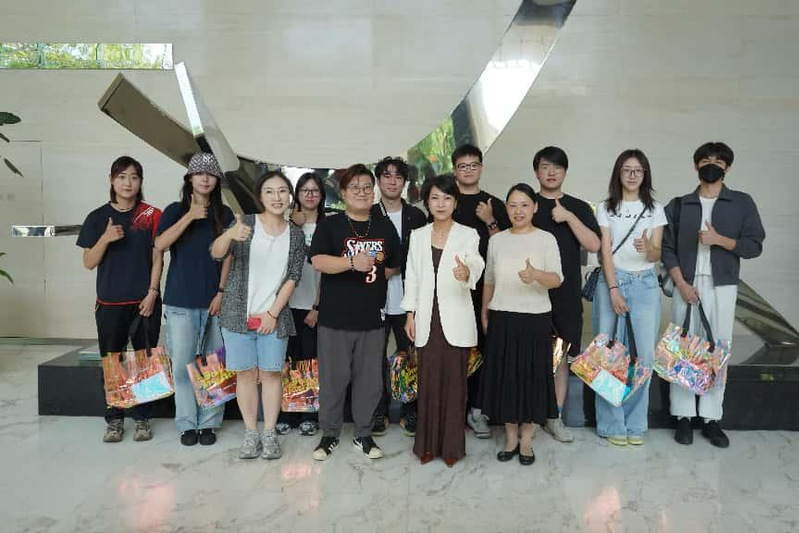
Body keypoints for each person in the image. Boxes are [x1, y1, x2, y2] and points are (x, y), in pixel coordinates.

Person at [662, 142, 765, 448]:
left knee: (718, 347)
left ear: (727, 168)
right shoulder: (680, 204)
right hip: (685, 284)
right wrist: (681, 283)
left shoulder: (741, 202)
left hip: (723, 284)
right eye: (706, 160)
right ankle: (682, 415)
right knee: (682, 347)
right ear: (696, 166)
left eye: (719, 162)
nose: (712, 165)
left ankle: (711, 417)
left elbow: (754, 245)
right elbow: (666, 248)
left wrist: (720, 240)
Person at [210, 171, 306, 460]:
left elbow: (293, 277)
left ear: (289, 196)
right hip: (238, 316)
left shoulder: (296, 234)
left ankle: (269, 433)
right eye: (269, 191)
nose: (277, 197)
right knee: (246, 375)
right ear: (260, 197)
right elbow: (216, 254)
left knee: (271, 374)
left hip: (273, 318)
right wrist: (229, 234)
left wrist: (272, 314)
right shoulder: (246, 224)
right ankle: (251, 432)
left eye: (282, 191)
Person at [309, 164, 401, 461]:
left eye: (366, 187)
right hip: (334, 319)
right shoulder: (330, 225)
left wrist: (374, 278)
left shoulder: (384, 226)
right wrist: (351, 263)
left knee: (369, 382)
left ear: (373, 192)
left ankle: (363, 434)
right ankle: (329, 434)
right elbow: (318, 261)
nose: (361, 192)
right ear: (343, 192)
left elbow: (393, 264)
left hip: (372, 318)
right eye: (354, 188)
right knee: (333, 381)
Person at [77, 156, 163, 443]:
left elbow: (158, 257)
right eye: (122, 176)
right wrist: (105, 238)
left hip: (144, 302)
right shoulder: (97, 217)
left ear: (141, 182)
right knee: (112, 363)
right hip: (110, 303)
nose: (128, 182)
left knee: (145, 362)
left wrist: (152, 292)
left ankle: (143, 418)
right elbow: (89, 262)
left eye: (134, 177)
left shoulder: (151, 214)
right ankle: (114, 419)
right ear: (112, 180)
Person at [403, 174, 484, 467]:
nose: (441, 203)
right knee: (428, 382)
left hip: (456, 318)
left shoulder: (468, 234)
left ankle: (451, 447)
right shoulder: (418, 235)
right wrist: (410, 314)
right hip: (426, 318)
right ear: (427, 201)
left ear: (455, 202)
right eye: (435, 198)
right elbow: (412, 276)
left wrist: (467, 273)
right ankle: (426, 445)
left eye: (447, 198)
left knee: (454, 386)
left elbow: (476, 263)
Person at [154, 152, 233, 446]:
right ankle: (187, 423)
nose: (205, 179)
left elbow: (229, 257)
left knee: (214, 364)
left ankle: (209, 422)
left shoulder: (224, 215)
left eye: (211, 174)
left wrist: (221, 292)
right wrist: (189, 216)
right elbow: (160, 245)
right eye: (199, 173)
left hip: (213, 300)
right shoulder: (175, 210)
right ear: (189, 178)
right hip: (180, 301)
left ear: (217, 181)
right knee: (182, 365)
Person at [480, 183, 563, 465]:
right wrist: (485, 312)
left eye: (524, 205)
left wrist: (536, 274)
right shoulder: (497, 241)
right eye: (513, 205)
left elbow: (557, 279)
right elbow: (489, 279)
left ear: (535, 207)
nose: (518, 211)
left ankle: (527, 438)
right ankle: (511, 437)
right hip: (502, 316)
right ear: (506, 209)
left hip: (535, 318)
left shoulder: (546, 239)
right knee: (506, 379)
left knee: (533, 378)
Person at [593, 149, 666, 446]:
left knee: (644, 355)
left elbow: (657, 254)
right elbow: (605, 252)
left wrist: (648, 249)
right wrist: (613, 289)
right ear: (618, 174)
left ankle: (635, 424)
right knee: (608, 352)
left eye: (638, 170)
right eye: (626, 170)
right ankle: (612, 424)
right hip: (613, 280)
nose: (632, 175)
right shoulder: (606, 207)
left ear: (645, 174)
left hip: (645, 283)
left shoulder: (655, 209)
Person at [531, 146, 601, 442]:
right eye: (545, 167)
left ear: (565, 172)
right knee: (531, 357)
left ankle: (555, 417)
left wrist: (569, 217)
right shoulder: (527, 204)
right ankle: (532, 415)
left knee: (560, 359)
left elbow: (595, 245)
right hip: (530, 295)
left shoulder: (578, 207)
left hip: (566, 296)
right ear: (536, 172)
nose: (551, 172)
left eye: (557, 167)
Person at [450, 143, 511, 439]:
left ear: (481, 168)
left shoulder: (495, 204)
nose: (468, 170)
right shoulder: (446, 201)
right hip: (452, 290)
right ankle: (453, 410)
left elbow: (506, 249)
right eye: (462, 166)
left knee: (484, 350)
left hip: (487, 291)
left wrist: (490, 220)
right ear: (454, 170)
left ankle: (477, 410)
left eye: (473, 165)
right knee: (455, 350)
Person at [370, 156, 427, 437]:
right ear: (378, 180)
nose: (392, 181)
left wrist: (397, 267)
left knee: (410, 356)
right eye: (387, 175)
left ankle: (409, 410)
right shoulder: (369, 213)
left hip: (409, 300)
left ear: (405, 182)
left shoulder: (416, 216)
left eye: (398, 177)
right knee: (374, 356)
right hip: (375, 299)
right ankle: (378, 411)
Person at [276, 172, 326, 437]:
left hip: (313, 306)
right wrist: (291, 225)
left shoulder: (328, 226)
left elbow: (328, 273)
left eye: (315, 190)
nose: (310, 195)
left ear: (322, 195)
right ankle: (285, 413)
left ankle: (308, 415)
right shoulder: (286, 226)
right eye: (305, 190)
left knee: (310, 361)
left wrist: (317, 307)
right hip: (286, 305)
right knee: (286, 360)